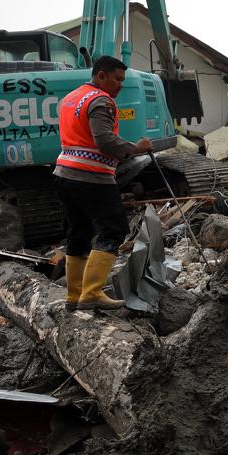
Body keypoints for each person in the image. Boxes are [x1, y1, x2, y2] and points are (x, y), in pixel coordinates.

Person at [54, 56, 152, 311]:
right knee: (113, 229)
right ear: (101, 76)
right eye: (117, 79)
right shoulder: (101, 101)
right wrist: (135, 148)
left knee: (79, 232)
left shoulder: (72, 98)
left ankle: (74, 296)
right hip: (91, 176)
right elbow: (104, 140)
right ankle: (92, 292)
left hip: (65, 173)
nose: (120, 85)